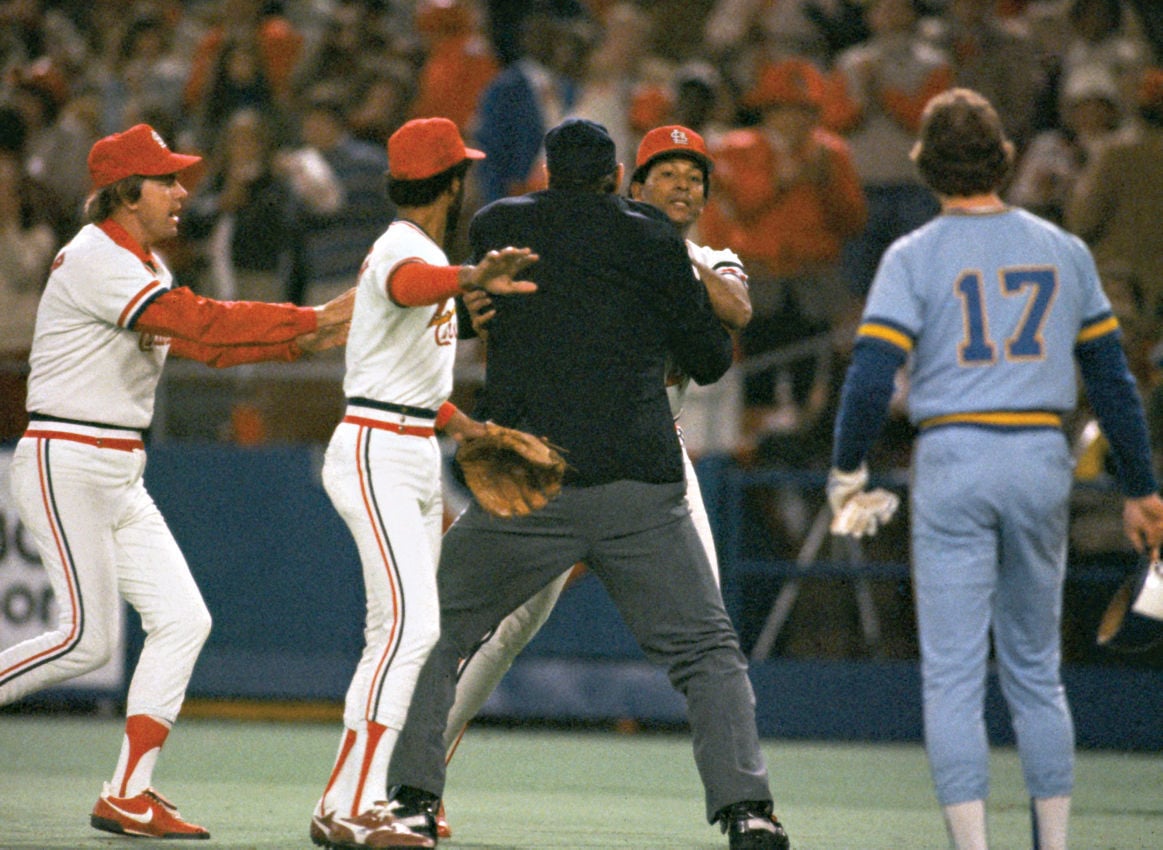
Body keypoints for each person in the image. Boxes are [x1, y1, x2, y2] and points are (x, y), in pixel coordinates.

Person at [383, 117, 790, 850]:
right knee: (705, 652)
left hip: (528, 485)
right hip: (638, 482)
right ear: (618, 181)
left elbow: (474, 319)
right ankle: (748, 811)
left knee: (437, 634)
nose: (680, 185)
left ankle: (411, 801)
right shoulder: (655, 239)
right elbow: (709, 357)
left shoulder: (498, 223)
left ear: (545, 173)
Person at [826, 87, 1163, 850]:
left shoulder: (912, 255)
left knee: (950, 675)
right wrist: (1140, 487)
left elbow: (870, 376)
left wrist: (845, 471)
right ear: (1005, 161)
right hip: (1039, 455)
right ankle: (1051, 842)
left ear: (923, 166)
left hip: (952, 455)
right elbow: (1111, 379)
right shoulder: (1062, 249)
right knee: (1035, 673)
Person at [0, 122, 353, 840]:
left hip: (116, 468)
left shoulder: (146, 264)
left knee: (183, 620)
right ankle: (127, 792)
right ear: (127, 192)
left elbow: (211, 345)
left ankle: (128, 792)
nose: (181, 189)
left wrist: (311, 332)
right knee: (84, 641)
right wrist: (313, 321)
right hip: (66, 458)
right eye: (166, 178)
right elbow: (203, 326)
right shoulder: (98, 256)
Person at [307, 116, 538, 850]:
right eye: (463, 172)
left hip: (407, 443)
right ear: (451, 182)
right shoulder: (405, 250)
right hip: (376, 449)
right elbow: (407, 287)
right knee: (413, 628)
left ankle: (350, 801)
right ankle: (350, 805)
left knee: (393, 630)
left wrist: (462, 425)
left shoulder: (426, 251)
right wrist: (469, 276)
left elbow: (399, 373)